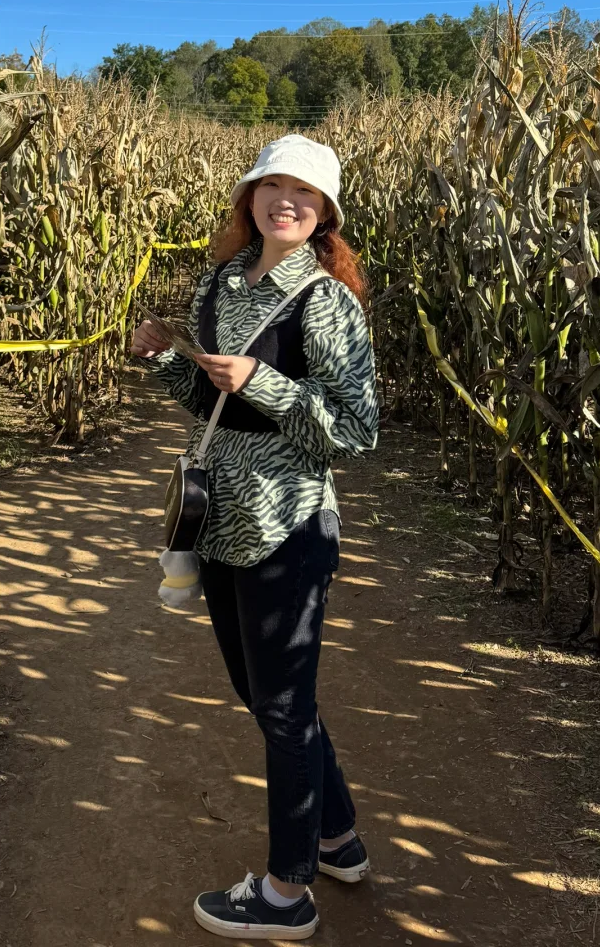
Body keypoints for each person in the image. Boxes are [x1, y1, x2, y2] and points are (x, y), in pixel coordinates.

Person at [132, 133, 379, 941]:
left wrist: (267, 383)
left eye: (305, 195)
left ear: (325, 213)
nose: (287, 203)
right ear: (250, 198)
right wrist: (169, 358)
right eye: (275, 187)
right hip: (219, 522)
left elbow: (355, 431)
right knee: (266, 698)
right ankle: (338, 840)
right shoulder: (220, 282)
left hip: (287, 522)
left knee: (280, 705)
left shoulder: (327, 302)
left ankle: (287, 893)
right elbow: (213, 405)